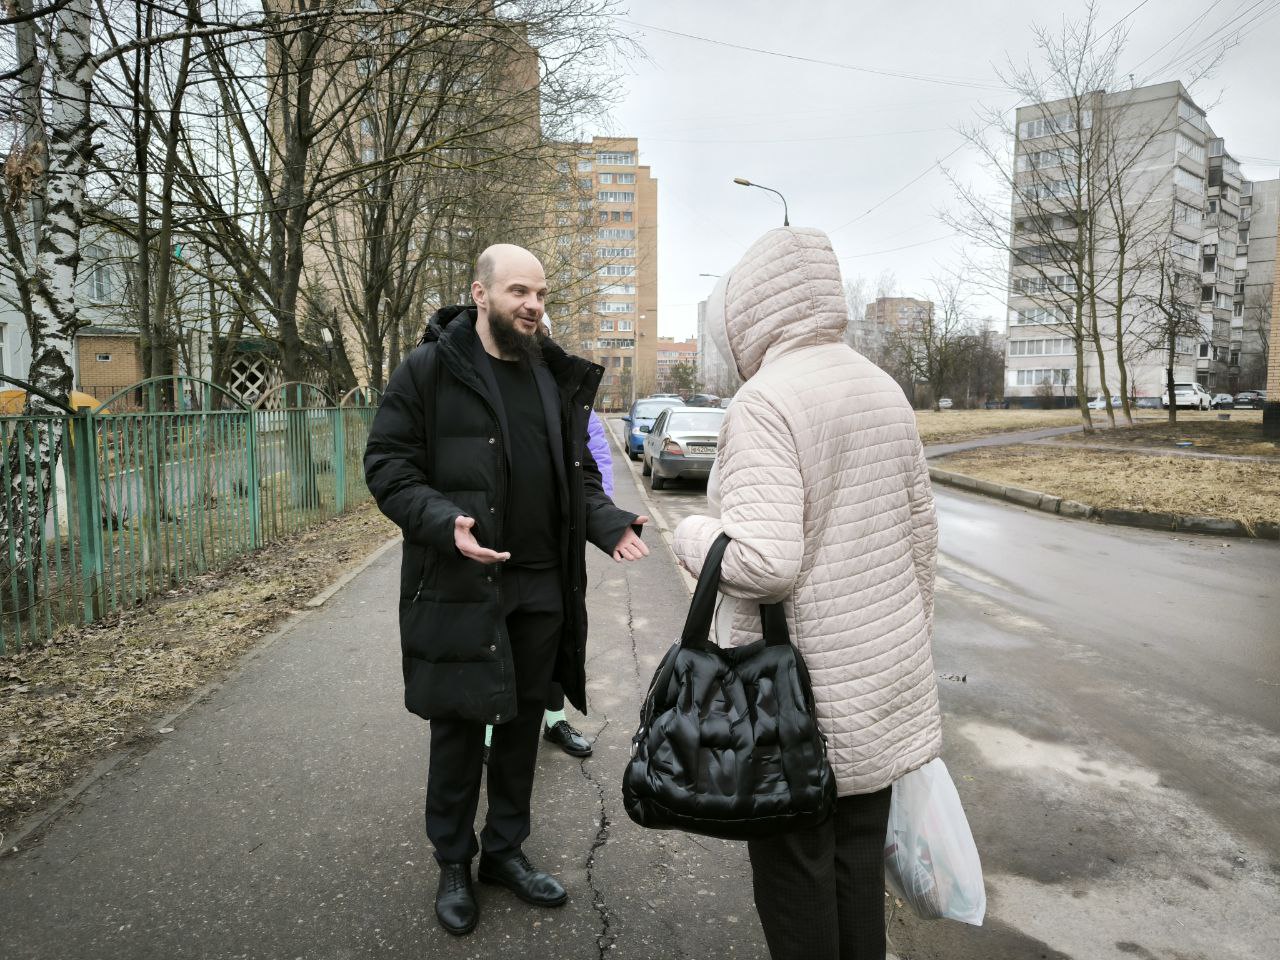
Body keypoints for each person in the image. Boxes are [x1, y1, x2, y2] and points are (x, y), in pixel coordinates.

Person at [672, 227, 942, 960]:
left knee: (796, 883)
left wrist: (690, 535)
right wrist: (904, 644)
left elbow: (764, 564)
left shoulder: (767, 402)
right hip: (880, 688)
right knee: (857, 875)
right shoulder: (882, 388)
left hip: (795, 705)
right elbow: (922, 540)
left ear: (750, 311)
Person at [364, 243, 649, 937]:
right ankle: (454, 862)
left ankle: (504, 851)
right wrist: (442, 520)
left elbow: (578, 476)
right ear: (481, 292)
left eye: (541, 293)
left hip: (544, 586)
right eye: (519, 291)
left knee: (523, 725)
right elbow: (387, 464)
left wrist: (608, 522)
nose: (533, 304)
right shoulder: (430, 370)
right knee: (460, 727)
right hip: (463, 582)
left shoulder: (551, 376)